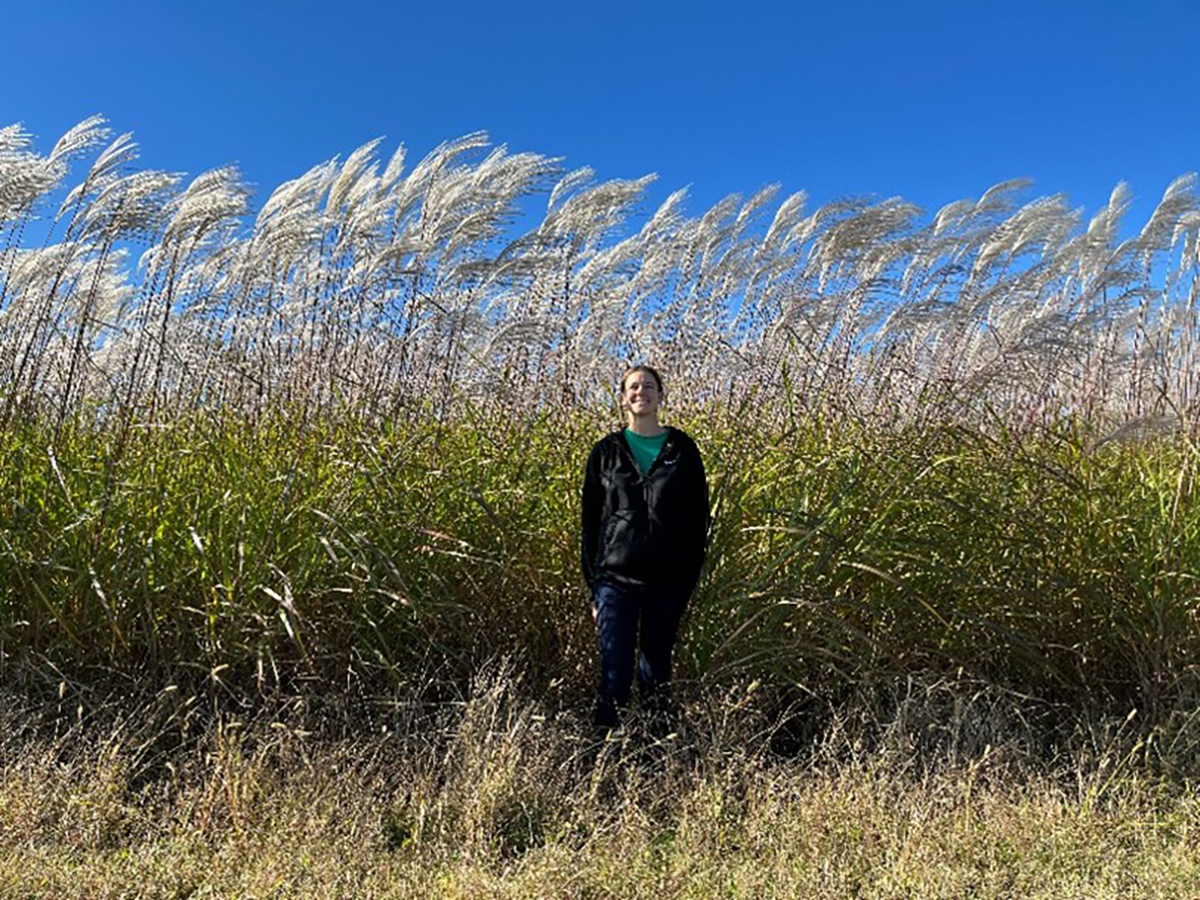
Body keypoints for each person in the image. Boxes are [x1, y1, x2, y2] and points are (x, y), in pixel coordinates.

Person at [580, 365, 710, 733]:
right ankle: (600, 760)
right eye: (633, 387)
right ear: (623, 398)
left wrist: (687, 580)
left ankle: (654, 763)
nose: (641, 392)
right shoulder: (605, 452)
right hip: (614, 583)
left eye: (649, 386)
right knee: (615, 677)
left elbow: (698, 519)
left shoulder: (682, 450)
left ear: (660, 396)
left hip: (667, 583)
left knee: (655, 678)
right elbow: (590, 523)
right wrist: (594, 588)